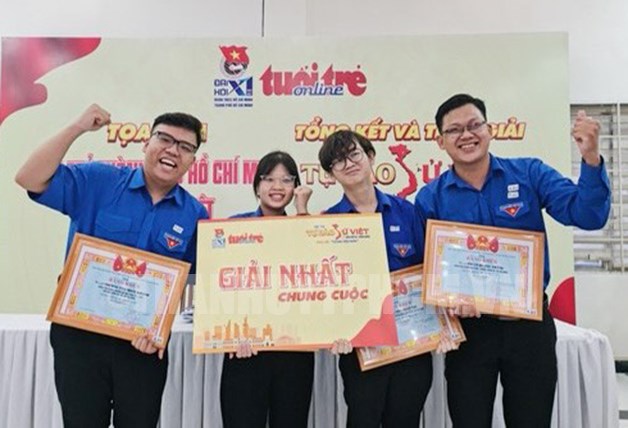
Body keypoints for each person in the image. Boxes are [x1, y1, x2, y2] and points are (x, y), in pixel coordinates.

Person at [414, 93, 611, 427]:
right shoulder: (430, 198)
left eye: (475, 125)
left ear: (490, 130)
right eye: (455, 130)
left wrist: (591, 159)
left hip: (529, 328)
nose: (466, 135)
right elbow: (426, 270)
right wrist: (446, 300)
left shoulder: (529, 174)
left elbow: (588, 215)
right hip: (470, 333)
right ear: (441, 141)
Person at [14, 104, 209, 427]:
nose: (173, 150)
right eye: (164, 139)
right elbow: (28, 178)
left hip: (142, 346)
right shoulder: (99, 181)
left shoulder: (194, 213)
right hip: (80, 337)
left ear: (192, 160)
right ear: (146, 143)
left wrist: (159, 329)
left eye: (185, 147)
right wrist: (77, 126)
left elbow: (189, 284)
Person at [318, 130, 451, 428]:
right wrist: (333, 329)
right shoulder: (328, 224)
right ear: (330, 174)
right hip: (361, 350)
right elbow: (324, 289)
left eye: (354, 154)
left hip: (412, 346)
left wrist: (443, 325)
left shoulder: (408, 212)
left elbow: (431, 272)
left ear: (370, 157)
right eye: (338, 161)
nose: (349, 163)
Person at [219, 150, 315, 428]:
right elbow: (220, 285)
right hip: (245, 348)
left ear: (295, 187)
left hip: (294, 351)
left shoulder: (307, 226)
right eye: (269, 179)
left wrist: (302, 211)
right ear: (257, 186)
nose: (277, 186)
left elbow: (318, 271)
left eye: (286, 180)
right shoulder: (235, 228)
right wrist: (231, 332)